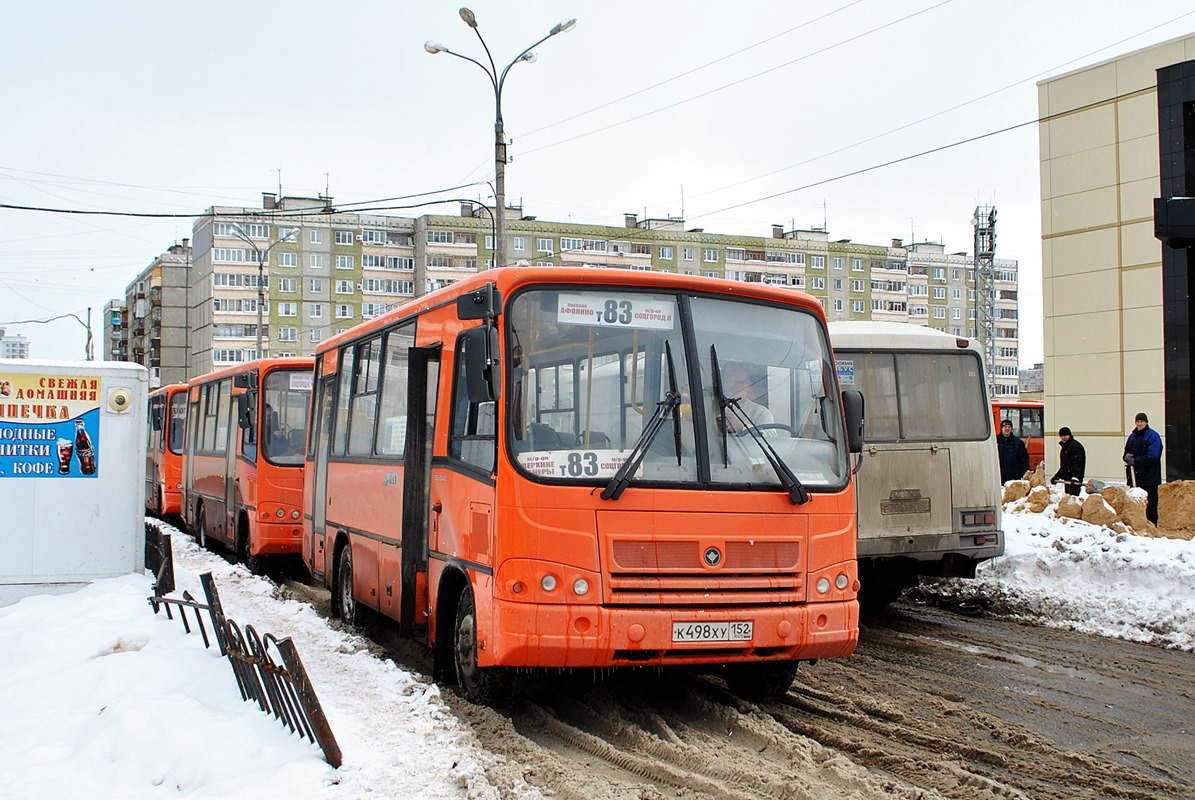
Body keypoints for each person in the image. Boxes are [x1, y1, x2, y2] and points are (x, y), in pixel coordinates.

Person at [1124, 412, 1163, 525]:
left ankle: (1151, 527)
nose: (1139, 424)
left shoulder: (1152, 436)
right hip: (1136, 478)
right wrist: (1126, 457)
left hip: (1149, 478)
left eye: (1142, 421)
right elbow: (1127, 451)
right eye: (1138, 422)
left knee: (1150, 506)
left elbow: (1153, 456)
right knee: (1136, 505)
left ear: (1146, 422)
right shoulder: (1133, 437)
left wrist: (1136, 461)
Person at [720, 362, 780, 437]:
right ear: (722, 383)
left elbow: (772, 438)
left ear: (747, 383)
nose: (733, 386)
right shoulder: (711, 407)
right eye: (729, 381)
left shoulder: (760, 412)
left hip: (748, 449)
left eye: (738, 382)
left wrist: (741, 427)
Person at [1050, 426, 1086, 496]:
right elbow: (1065, 465)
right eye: (1061, 436)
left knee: (1073, 499)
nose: (1063, 437)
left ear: (1069, 435)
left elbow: (1077, 463)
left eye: (1065, 435)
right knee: (1068, 499)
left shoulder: (1075, 446)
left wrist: (1075, 477)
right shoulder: (1065, 447)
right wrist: (1057, 476)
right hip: (1068, 479)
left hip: (1074, 480)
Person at [997, 419, 1030, 484]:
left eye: (1009, 427)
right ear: (1001, 428)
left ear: (1011, 429)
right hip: (998, 476)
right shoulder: (995, 441)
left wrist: (1024, 475)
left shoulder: (1018, 443)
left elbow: (1024, 460)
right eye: (1005, 427)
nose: (1007, 429)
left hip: (1013, 478)